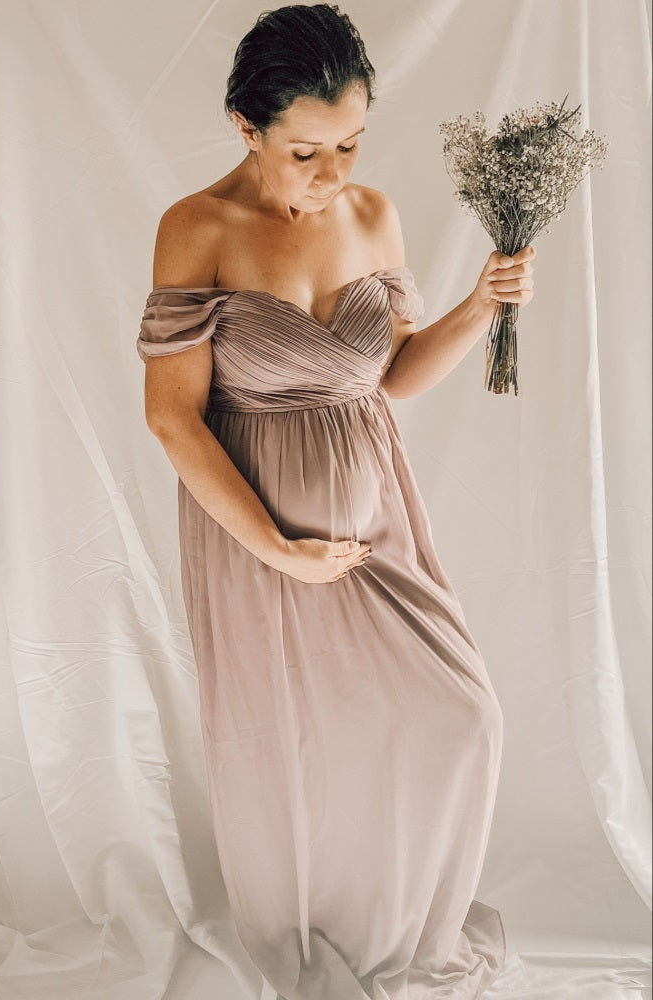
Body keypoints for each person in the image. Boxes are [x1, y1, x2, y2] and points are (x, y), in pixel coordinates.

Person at [136, 4, 535, 998]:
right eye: (305, 152)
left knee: (460, 717)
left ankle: (402, 927)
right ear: (247, 128)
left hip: (377, 519)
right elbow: (172, 419)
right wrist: (276, 547)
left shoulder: (372, 217)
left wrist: (480, 304)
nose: (331, 173)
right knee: (298, 748)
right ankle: (319, 931)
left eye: (350, 143)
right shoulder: (197, 228)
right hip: (255, 531)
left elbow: (391, 377)